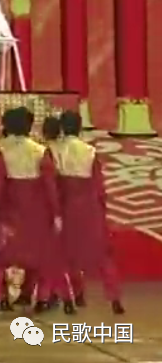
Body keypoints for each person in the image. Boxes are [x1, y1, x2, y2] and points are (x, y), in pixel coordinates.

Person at [0, 107, 70, 315]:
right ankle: (43, 299)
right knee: (42, 255)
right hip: (37, 211)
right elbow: (50, 185)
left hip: (9, 209)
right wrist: (56, 214)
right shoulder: (40, 151)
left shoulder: (0, 151)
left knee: (0, 256)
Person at [54, 110, 124, 314]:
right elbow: (99, 186)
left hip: (66, 207)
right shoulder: (90, 151)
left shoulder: (55, 151)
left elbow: (53, 185)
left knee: (65, 254)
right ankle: (115, 299)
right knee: (103, 255)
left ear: (62, 128)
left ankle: (73, 297)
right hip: (90, 207)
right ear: (79, 127)